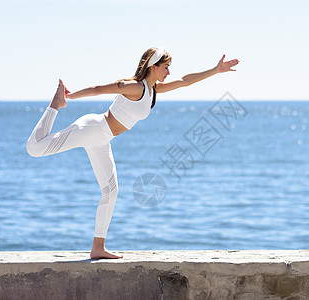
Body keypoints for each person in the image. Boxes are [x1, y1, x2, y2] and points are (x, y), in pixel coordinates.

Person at [26, 47, 239, 259]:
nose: (169, 72)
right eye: (166, 67)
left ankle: (98, 247)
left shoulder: (153, 90)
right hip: (91, 129)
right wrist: (71, 97)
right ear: (153, 67)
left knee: (111, 192)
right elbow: (100, 88)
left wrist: (215, 70)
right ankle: (55, 104)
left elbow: (184, 81)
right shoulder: (135, 87)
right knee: (34, 148)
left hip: (102, 139)